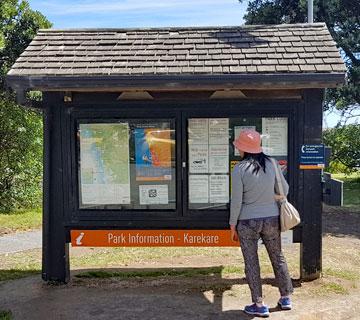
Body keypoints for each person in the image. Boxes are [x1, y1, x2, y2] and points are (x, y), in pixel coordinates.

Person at [230, 129, 293, 318]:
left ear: (243, 149)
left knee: (251, 261)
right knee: (277, 256)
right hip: (272, 219)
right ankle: (286, 297)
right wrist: (269, 197)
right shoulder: (272, 164)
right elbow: (286, 189)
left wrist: (232, 224)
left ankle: (259, 304)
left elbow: (236, 201)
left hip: (247, 221)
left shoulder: (239, 169)